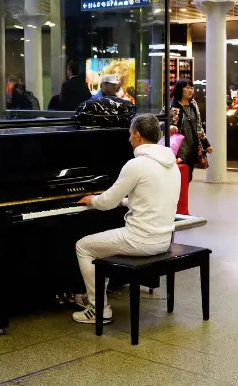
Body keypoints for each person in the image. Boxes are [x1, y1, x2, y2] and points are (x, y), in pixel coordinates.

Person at [72, 114, 181, 324]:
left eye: (130, 134)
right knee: (98, 245)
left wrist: (91, 199)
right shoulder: (171, 163)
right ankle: (93, 294)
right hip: (163, 240)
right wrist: (125, 201)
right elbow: (150, 198)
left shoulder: (136, 164)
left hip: (140, 240)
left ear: (138, 136)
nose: (128, 139)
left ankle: (98, 308)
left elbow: (106, 203)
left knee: (83, 246)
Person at [169, 79, 213, 182]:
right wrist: (170, 126)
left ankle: (183, 197)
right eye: (187, 88)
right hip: (178, 148)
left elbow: (198, 126)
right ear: (180, 89)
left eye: (191, 88)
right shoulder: (172, 105)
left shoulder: (193, 105)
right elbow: (162, 122)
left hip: (192, 145)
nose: (190, 90)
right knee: (177, 176)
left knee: (188, 175)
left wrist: (206, 144)